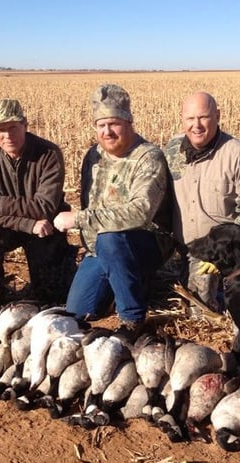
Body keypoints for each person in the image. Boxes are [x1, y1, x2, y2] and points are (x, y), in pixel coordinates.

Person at [54, 83, 172, 337]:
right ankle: (122, 282)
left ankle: (133, 319)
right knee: (79, 312)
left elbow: (141, 212)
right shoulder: (92, 157)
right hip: (101, 248)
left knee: (110, 238)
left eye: (114, 123)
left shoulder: (148, 157)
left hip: (144, 243)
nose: (107, 131)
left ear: (129, 122)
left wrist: (79, 219)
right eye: (101, 125)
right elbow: (89, 200)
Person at [163, 91, 240, 314]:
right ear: (182, 119)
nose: (196, 125)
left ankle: (224, 295)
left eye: (203, 117)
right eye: (190, 119)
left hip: (220, 252)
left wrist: (225, 249)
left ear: (217, 116)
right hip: (185, 248)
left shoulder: (239, 154)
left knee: (202, 314)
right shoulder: (172, 150)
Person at [0, 98, 75, 305]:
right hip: (17, 225)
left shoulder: (49, 154)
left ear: (25, 125)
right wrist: (28, 224)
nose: (8, 135)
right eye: (0, 129)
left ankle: (51, 287)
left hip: (46, 227)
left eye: (13, 127)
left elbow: (44, 207)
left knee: (52, 299)